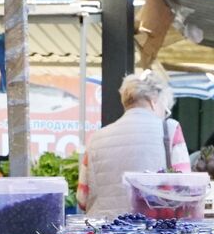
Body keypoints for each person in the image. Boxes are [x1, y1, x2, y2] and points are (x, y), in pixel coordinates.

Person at [77, 69, 191, 217]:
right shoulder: (170, 129)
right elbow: (186, 188)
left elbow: (82, 198)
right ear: (154, 101)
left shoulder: (96, 138)